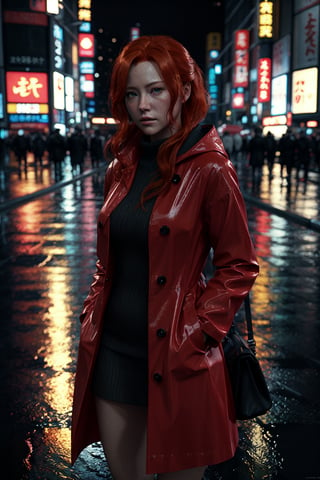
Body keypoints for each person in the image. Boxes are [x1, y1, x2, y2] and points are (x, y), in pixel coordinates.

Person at [71, 35, 259, 480]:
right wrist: (92, 311)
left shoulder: (210, 168)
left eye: (156, 90)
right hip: (115, 352)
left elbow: (238, 265)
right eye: (132, 94)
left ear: (184, 89)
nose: (143, 105)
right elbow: (109, 259)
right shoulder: (122, 164)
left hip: (181, 355)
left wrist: (200, 332)